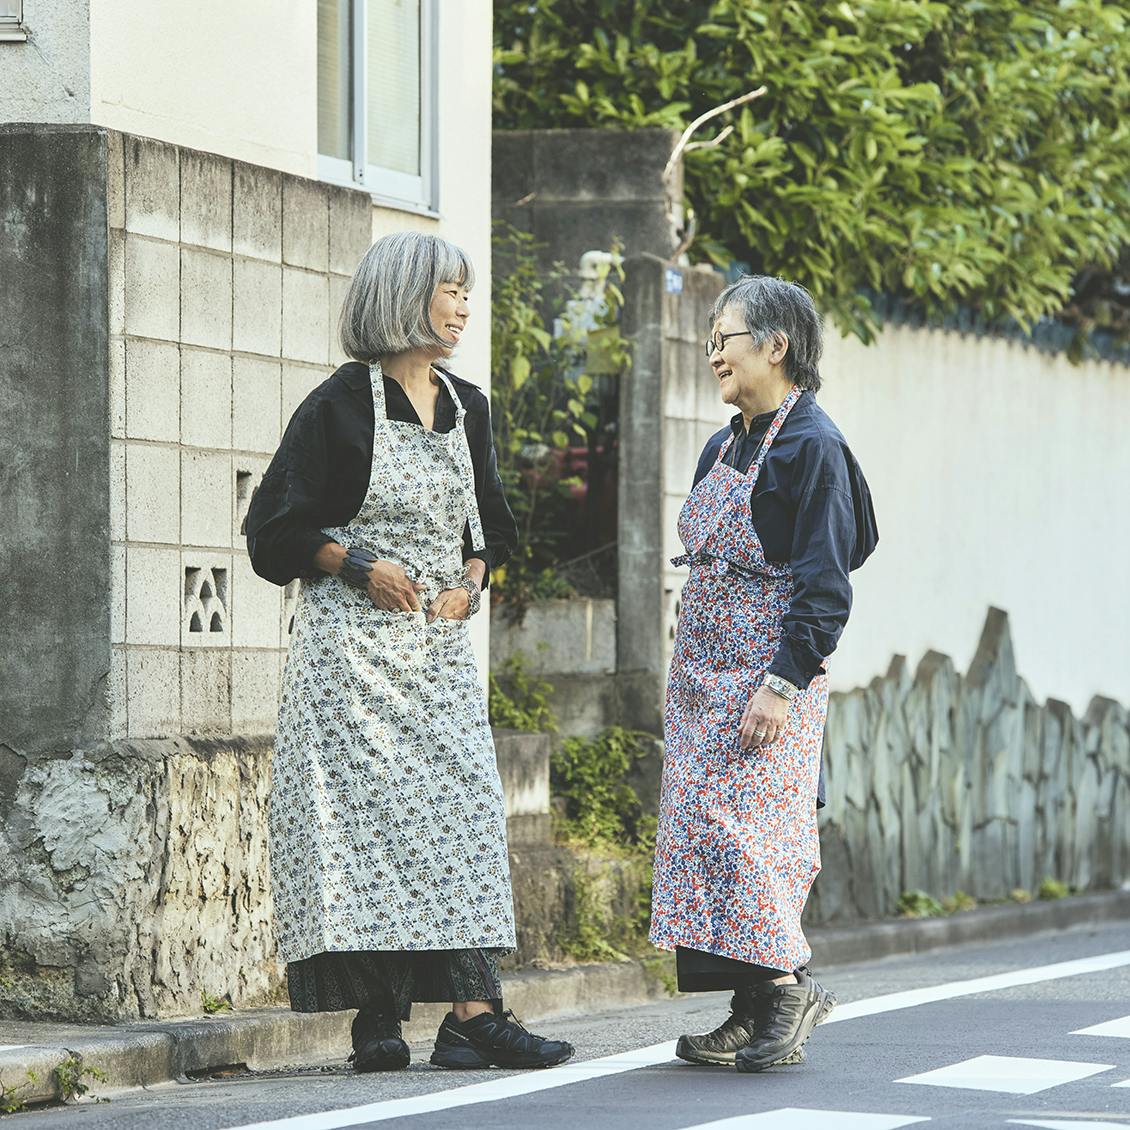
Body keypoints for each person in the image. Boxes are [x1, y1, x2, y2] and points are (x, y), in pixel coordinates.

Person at [246, 231, 574, 1073]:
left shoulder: (470, 406)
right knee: (364, 831)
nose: (464, 307)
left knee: (461, 819)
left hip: (433, 653)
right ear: (403, 296)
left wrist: (473, 577)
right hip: (348, 657)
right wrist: (355, 565)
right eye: (449, 291)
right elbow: (271, 529)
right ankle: (376, 1022)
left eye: (466, 293)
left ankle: (473, 1015)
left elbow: (491, 529)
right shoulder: (338, 406)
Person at [649, 275, 878, 1073]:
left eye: (726, 338)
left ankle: (786, 989)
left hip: (767, 684)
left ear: (775, 346)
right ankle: (746, 1008)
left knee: (750, 838)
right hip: (703, 683)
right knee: (700, 837)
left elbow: (826, 586)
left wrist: (780, 685)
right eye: (710, 340)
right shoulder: (725, 443)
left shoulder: (812, 445)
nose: (713, 353)